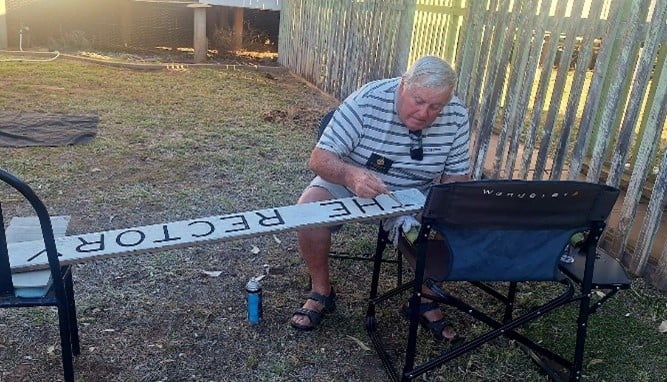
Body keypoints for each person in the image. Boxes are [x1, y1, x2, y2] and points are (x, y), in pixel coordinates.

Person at [290, 55, 470, 341]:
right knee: (308, 211)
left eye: (435, 106)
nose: (425, 113)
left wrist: (444, 208)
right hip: (353, 178)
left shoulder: (457, 115)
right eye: (418, 101)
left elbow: (456, 179)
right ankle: (321, 290)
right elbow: (319, 159)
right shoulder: (367, 100)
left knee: (449, 220)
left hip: (415, 192)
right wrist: (351, 176)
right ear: (402, 85)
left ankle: (422, 298)